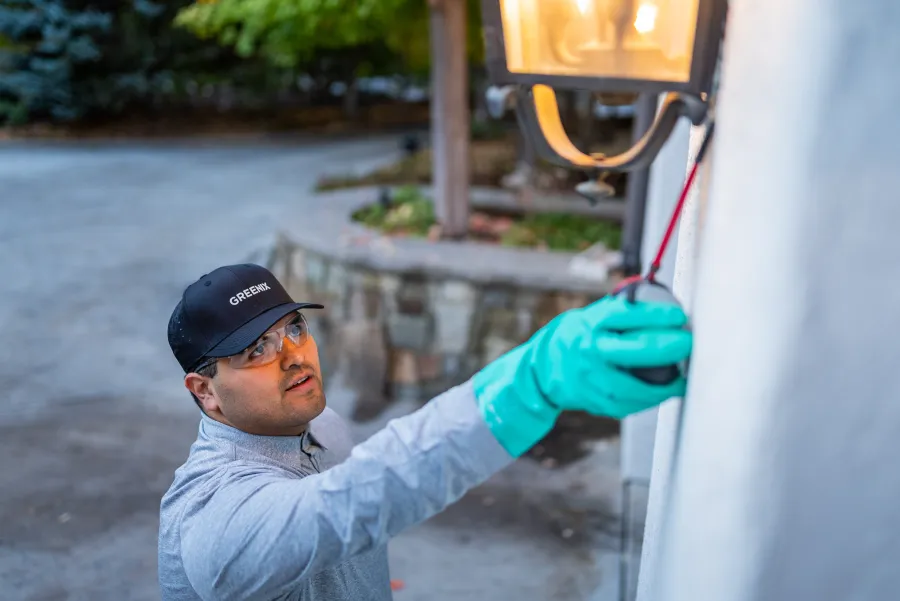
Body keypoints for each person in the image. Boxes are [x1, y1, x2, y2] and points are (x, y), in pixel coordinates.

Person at [159, 263, 692, 601]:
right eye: (258, 350)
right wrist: (529, 386)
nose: (294, 355)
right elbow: (351, 503)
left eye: (294, 328)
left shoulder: (320, 424)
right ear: (204, 391)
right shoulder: (211, 521)